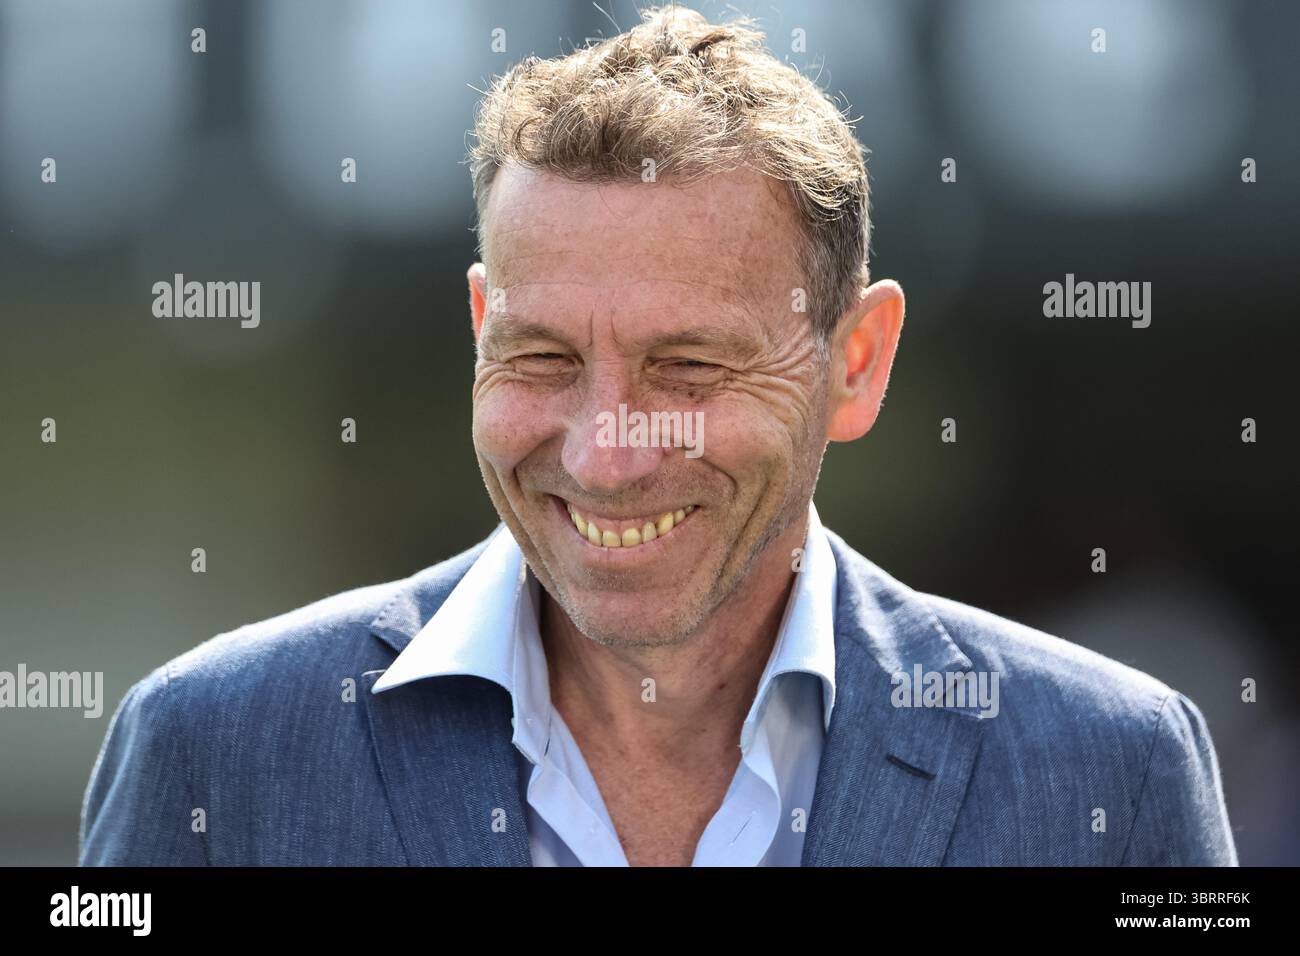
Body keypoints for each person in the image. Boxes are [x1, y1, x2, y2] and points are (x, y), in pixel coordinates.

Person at [80, 5, 1236, 867]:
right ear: (479, 328)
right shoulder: (213, 750)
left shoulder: (1107, 769)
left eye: (687, 365)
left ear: (858, 361)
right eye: (541, 358)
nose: (606, 450)